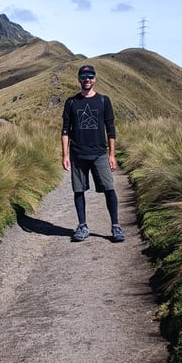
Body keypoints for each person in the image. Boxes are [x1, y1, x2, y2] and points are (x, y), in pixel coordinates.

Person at [61, 63, 125, 242]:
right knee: (78, 190)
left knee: (109, 189)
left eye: (90, 76)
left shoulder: (104, 101)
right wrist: (65, 155)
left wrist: (112, 155)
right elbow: (65, 130)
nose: (87, 80)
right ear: (79, 79)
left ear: (95, 79)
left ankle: (115, 226)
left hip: (99, 154)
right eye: (83, 77)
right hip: (78, 154)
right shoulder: (71, 102)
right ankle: (82, 226)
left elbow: (110, 129)